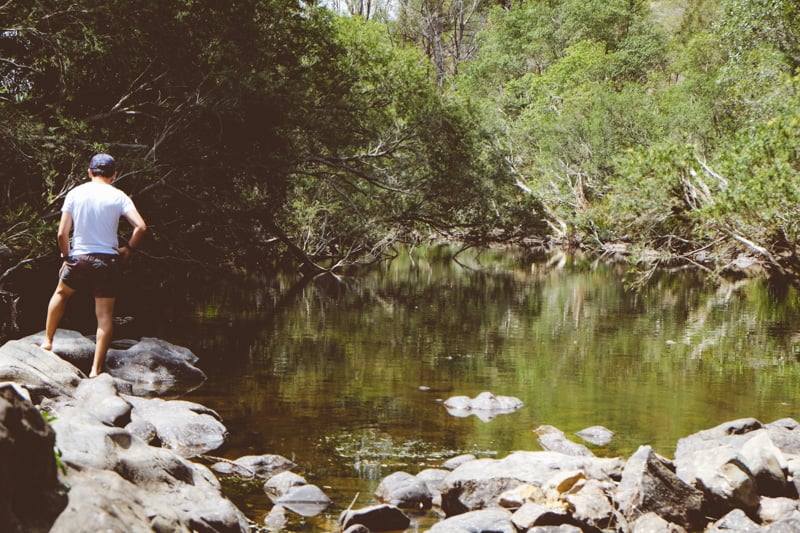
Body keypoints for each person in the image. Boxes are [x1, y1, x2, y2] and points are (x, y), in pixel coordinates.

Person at [40, 154, 147, 377]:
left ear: (90, 172)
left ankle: (48, 341)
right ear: (114, 175)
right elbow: (141, 227)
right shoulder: (119, 196)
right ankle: (95, 370)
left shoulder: (76, 193)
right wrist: (129, 249)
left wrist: (66, 256)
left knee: (61, 294)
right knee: (104, 316)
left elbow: (62, 233)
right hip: (107, 261)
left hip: (79, 258)